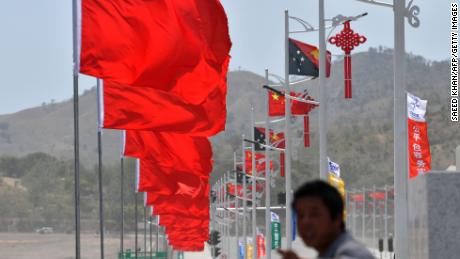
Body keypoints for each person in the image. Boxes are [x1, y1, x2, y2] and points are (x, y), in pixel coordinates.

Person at [278, 180, 375, 259]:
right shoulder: (329, 252)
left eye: (314, 214)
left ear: (337, 218)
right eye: (300, 215)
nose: (305, 222)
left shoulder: (351, 251)